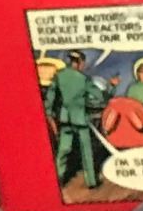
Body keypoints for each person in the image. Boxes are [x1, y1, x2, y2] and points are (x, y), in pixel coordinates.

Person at [42, 50, 111, 191]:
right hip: (80, 118)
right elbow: (99, 96)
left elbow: (50, 98)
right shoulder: (83, 79)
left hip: (65, 118)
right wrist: (111, 87)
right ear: (80, 63)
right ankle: (91, 181)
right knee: (86, 151)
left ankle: (57, 179)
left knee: (63, 150)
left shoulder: (59, 76)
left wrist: (49, 113)